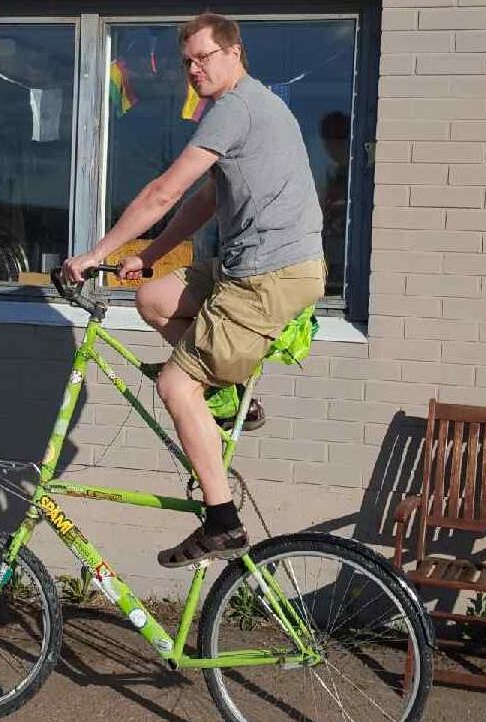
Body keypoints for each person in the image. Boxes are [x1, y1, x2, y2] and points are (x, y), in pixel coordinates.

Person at [63, 13, 325, 568]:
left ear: (234, 53)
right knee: (154, 299)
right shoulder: (244, 109)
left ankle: (223, 521)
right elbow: (205, 200)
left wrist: (94, 254)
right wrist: (150, 255)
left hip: (267, 275)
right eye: (186, 62)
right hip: (246, 267)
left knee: (175, 386)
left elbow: (164, 192)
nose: (193, 70)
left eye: (203, 57)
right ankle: (232, 398)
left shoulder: (237, 108)